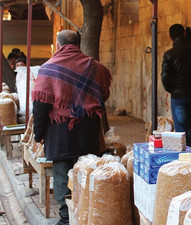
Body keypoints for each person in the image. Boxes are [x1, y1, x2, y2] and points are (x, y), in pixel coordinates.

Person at [32, 30, 111, 225]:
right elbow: (102, 96)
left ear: (58, 46)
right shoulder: (97, 68)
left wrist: (38, 133)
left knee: (62, 176)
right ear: (79, 44)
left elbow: (41, 105)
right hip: (88, 131)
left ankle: (67, 218)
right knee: (88, 173)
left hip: (60, 134)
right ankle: (87, 215)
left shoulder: (48, 69)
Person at [161, 24, 191, 147]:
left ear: (170, 37)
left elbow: (165, 76)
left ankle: (183, 160)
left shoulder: (169, 54)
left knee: (181, 129)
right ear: (184, 34)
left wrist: (172, 90)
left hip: (178, 97)